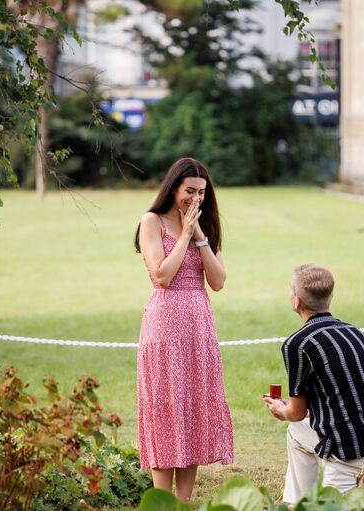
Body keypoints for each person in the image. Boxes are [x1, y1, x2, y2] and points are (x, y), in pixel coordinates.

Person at [134, 157, 234, 502]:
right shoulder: (152, 221)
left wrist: (201, 236)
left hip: (198, 324)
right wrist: (184, 235)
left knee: (192, 407)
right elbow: (162, 275)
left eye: (202, 192)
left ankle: (183, 502)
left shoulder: (208, 226)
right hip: (164, 323)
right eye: (189, 191)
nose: (196, 198)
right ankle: (162, 501)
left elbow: (218, 282)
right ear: (173, 188)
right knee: (165, 406)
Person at [263, 264, 364, 504]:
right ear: (330, 297)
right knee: (298, 432)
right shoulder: (355, 332)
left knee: (334, 508)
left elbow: (297, 411)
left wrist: (281, 410)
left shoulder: (298, 344)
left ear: (296, 302)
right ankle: (296, 504)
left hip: (347, 449)